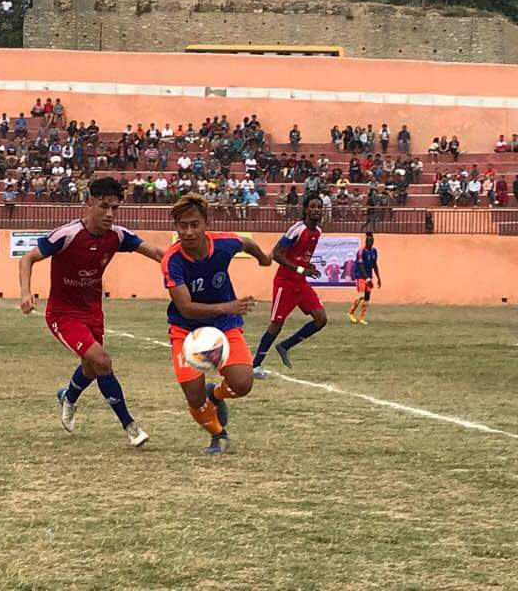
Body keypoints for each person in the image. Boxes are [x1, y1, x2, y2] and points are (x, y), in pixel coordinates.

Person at [18, 177, 164, 447]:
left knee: (91, 366)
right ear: (89, 203)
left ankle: (68, 397)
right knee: (102, 361)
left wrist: (184, 265)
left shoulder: (118, 235)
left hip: (93, 313)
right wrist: (26, 292)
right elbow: (28, 258)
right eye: (104, 206)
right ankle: (130, 426)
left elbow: (155, 252)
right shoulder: (67, 234)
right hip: (63, 314)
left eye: (115, 208)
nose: (110, 214)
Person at [162, 193, 271, 454]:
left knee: (242, 384)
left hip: (224, 324)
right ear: (176, 227)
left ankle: (217, 394)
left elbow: (246, 243)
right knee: (194, 396)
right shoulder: (172, 261)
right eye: (182, 226)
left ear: (206, 224)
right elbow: (186, 308)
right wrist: (226, 306)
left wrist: (263, 258)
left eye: (194, 224)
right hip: (186, 329)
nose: (188, 232)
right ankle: (218, 433)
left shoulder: (224, 244)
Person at [252, 194, 328, 378]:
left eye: (319, 207)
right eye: (313, 206)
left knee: (321, 319)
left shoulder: (317, 231)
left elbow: (299, 256)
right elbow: (277, 254)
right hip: (285, 282)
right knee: (276, 324)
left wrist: (308, 266)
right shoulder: (297, 229)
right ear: (306, 209)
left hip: (300, 282)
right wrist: (301, 269)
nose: (316, 210)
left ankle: (285, 346)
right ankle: (255, 366)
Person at [348, 232, 381, 325]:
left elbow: (374, 264)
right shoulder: (361, 251)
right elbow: (360, 265)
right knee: (361, 296)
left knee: (367, 297)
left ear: (373, 242)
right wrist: (366, 278)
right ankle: (351, 313)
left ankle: (361, 318)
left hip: (369, 277)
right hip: (361, 276)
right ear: (365, 241)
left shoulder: (374, 251)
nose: (369, 243)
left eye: (370, 241)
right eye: (367, 241)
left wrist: (379, 278)